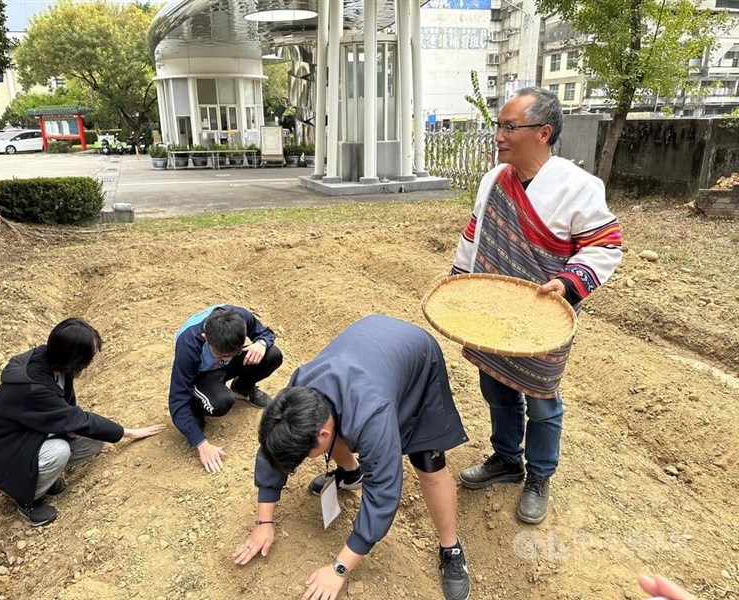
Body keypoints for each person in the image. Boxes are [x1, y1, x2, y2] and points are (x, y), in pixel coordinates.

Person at [450, 87, 623, 524]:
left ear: (543, 132)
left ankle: (539, 475)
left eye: (510, 126)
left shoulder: (579, 186)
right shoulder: (493, 180)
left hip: (545, 311)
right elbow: (475, 233)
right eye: (499, 125)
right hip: (494, 304)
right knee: (495, 384)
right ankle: (507, 460)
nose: (499, 135)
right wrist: (459, 281)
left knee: (542, 396)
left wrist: (569, 282)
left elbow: (605, 246)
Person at [234, 315, 471, 600]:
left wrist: (339, 569)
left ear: (321, 435)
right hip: (369, 349)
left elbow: (383, 493)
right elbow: (274, 447)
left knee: (428, 465)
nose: (305, 459)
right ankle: (351, 473)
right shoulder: (299, 393)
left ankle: (451, 547)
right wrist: (264, 522)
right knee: (333, 424)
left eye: (306, 454)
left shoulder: (372, 416)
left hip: (417, 358)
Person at [0, 318, 165, 527]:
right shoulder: (34, 387)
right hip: (5, 453)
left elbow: (69, 411)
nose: (93, 359)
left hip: (31, 435)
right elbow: (78, 419)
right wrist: (128, 432)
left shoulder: (55, 365)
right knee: (59, 450)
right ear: (74, 357)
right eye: (91, 354)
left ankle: (41, 479)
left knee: (94, 441)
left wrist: (73, 427)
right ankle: (27, 500)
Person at [168, 304, 283, 474]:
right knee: (221, 402)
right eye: (221, 355)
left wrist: (261, 342)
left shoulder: (240, 317)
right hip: (202, 374)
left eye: (232, 353)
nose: (227, 358)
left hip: (222, 367)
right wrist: (200, 443)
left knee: (272, 355)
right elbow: (177, 398)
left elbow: (265, 333)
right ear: (205, 337)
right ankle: (196, 407)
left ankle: (242, 388)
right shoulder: (189, 344)